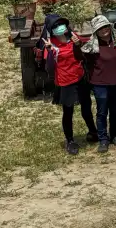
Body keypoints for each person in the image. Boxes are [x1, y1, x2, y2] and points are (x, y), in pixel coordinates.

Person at [42, 16, 98, 155]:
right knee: (68, 112)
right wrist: (49, 51)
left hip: (80, 78)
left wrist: (78, 45)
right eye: (56, 26)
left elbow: (80, 57)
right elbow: (49, 67)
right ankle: (70, 140)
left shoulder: (73, 37)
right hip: (65, 81)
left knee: (86, 107)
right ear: (51, 29)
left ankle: (93, 131)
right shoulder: (51, 44)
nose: (60, 28)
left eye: (62, 24)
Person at [81, 15, 116, 153]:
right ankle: (103, 139)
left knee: (115, 111)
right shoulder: (91, 47)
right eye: (100, 28)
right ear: (96, 31)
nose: (104, 30)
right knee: (102, 112)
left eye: (106, 27)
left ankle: (114, 135)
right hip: (100, 84)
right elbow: (80, 58)